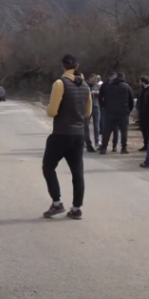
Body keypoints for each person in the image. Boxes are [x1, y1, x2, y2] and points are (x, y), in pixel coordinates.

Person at [42, 54, 92, 220]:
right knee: (77, 172)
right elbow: (87, 112)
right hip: (78, 134)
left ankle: (57, 203)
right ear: (77, 65)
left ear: (63, 66)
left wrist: (50, 107)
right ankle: (76, 208)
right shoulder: (86, 85)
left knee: (48, 167)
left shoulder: (59, 83)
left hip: (61, 133)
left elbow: (52, 112)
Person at [99, 72, 134, 155]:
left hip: (110, 111)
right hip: (123, 112)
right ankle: (123, 148)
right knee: (123, 131)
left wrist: (104, 107)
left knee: (107, 131)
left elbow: (103, 97)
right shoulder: (126, 86)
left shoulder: (109, 86)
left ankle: (104, 148)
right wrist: (128, 110)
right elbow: (131, 101)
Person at [84, 74, 102, 152]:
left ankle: (97, 141)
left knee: (96, 125)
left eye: (96, 79)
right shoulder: (84, 86)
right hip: (87, 107)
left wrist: (98, 93)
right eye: (93, 79)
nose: (95, 80)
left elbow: (101, 95)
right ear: (89, 78)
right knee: (86, 126)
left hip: (96, 107)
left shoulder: (98, 86)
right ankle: (87, 142)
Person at [99, 71, 117, 142]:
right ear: (109, 77)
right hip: (106, 107)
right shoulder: (104, 85)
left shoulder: (118, 84)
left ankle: (114, 144)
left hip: (115, 108)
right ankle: (104, 143)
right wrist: (102, 105)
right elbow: (100, 96)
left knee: (115, 128)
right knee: (105, 126)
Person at [137, 75, 149, 151]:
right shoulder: (142, 90)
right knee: (143, 130)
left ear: (143, 82)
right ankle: (145, 144)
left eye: (140, 81)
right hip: (142, 114)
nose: (139, 83)